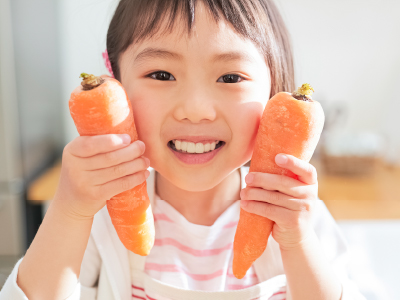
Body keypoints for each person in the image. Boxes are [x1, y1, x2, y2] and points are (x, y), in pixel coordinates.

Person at [0, 0, 366, 299]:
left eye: (230, 77)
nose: (195, 109)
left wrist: (298, 240)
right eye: (161, 75)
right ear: (116, 86)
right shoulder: (100, 217)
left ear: (274, 94)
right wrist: (69, 211)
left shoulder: (299, 216)